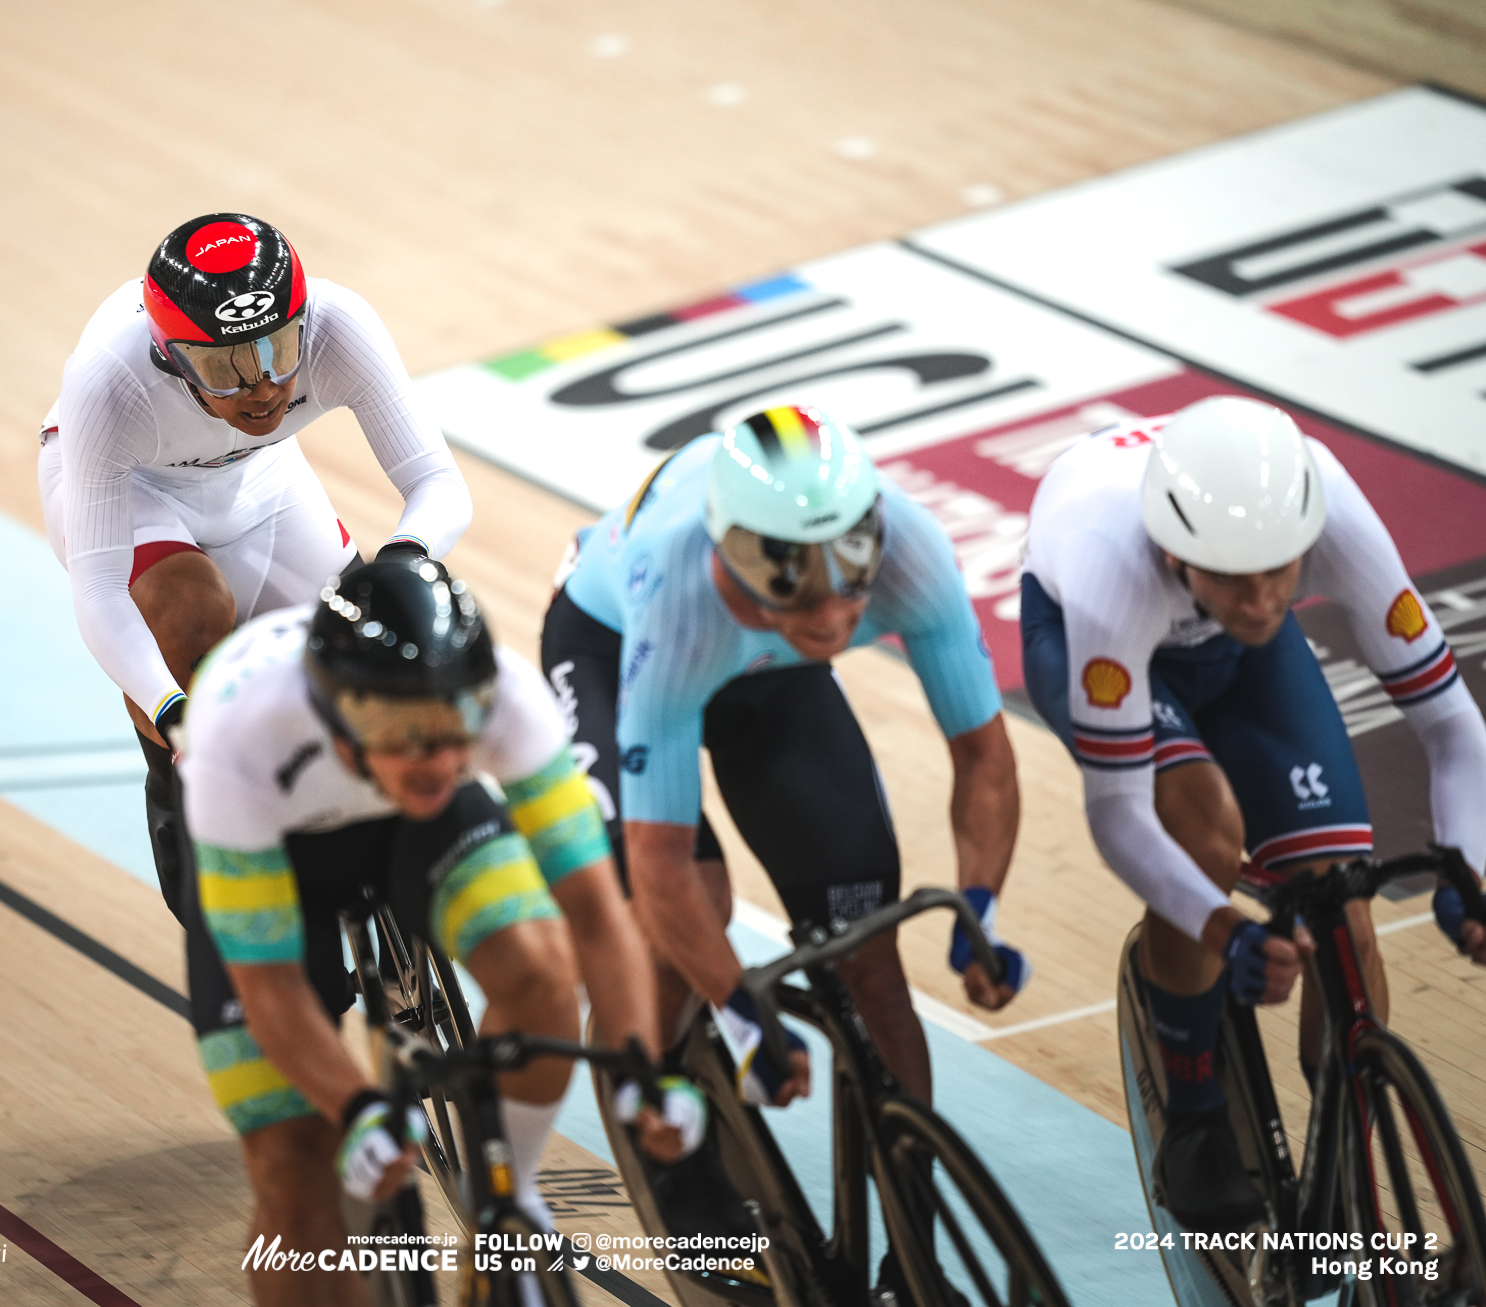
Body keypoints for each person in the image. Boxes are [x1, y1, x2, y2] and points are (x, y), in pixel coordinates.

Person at [541, 404, 1028, 1274]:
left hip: (769, 667)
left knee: (869, 959)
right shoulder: (681, 589)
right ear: (729, 550)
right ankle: (670, 1146)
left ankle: (912, 1244)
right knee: (688, 913)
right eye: (791, 572)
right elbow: (658, 864)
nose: (832, 603)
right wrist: (736, 1008)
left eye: (849, 568)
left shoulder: (907, 551)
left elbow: (985, 757)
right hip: (621, 652)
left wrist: (978, 909)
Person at [178, 558, 704, 1307]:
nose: (434, 755)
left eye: (455, 723)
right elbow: (270, 984)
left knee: (541, 968)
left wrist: (641, 1072)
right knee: (293, 1179)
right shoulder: (242, 732)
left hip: (418, 831)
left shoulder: (510, 698)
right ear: (338, 716)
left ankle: (506, 1195)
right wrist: (355, 1107)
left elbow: (595, 911)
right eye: (401, 730)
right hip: (281, 854)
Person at [1019, 394, 1486, 1233]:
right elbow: (1120, 814)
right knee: (1203, 833)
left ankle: (1343, 1151)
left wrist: (1468, 867)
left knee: (1343, 903)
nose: (1265, 594)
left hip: (1237, 655)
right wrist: (1223, 929)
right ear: (1172, 547)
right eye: (1234, 572)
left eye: (1280, 566)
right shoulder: (1107, 564)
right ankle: (1195, 1115)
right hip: (1111, 644)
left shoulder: (1328, 509)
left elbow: (1454, 727)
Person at [36, 211, 472, 892]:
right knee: (190, 620)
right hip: (135, 492)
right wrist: (171, 711)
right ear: (172, 357)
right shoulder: (109, 379)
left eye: (278, 350)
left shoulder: (338, 324)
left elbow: (437, 483)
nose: (264, 385)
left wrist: (397, 566)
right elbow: (99, 594)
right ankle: (196, 834)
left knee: (374, 646)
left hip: (261, 480)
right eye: (225, 368)